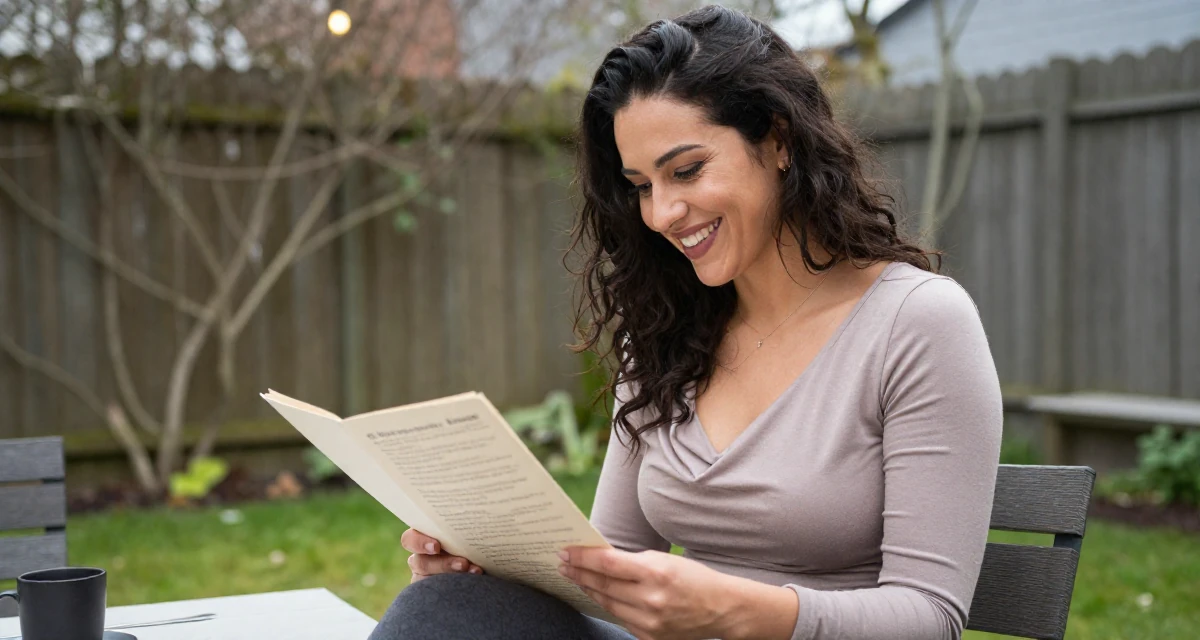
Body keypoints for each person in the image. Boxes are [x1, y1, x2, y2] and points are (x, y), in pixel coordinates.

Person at [368, 4, 1002, 639]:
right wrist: (482, 571)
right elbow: (604, 574)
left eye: (687, 170)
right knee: (444, 607)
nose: (664, 212)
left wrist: (736, 610)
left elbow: (930, 618)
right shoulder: (667, 335)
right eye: (641, 185)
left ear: (778, 140)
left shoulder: (915, 324)